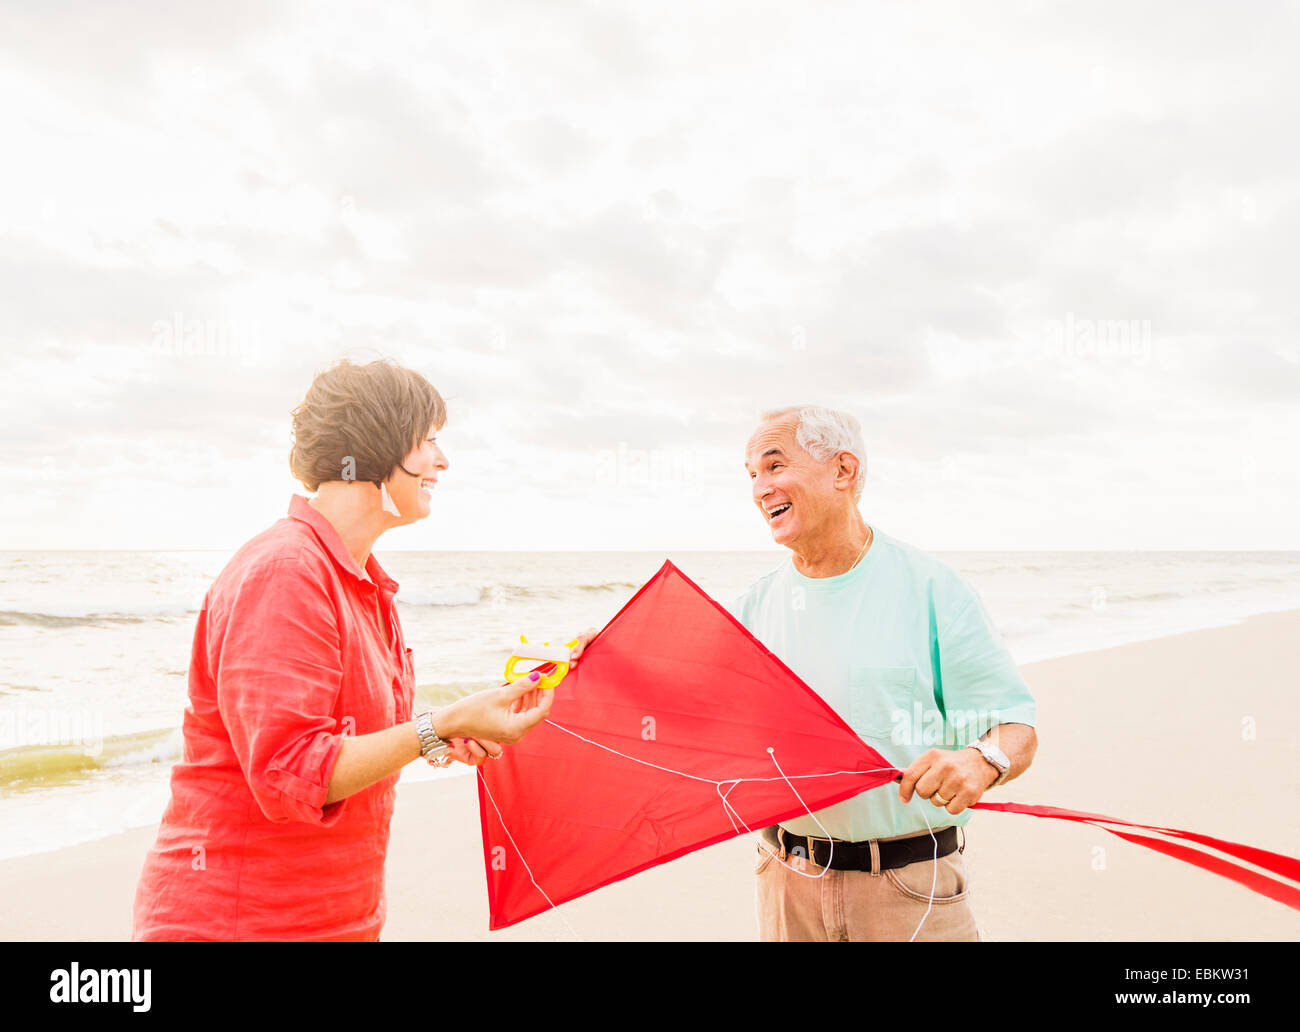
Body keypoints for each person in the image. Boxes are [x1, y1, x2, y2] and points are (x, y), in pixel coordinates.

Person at [133, 358, 593, 941]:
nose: (443, 461)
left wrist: (466, 723)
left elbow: (354, 743)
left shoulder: (363, 583)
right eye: (428, 440)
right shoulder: (285, 571)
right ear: (380, 444)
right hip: (239, 922)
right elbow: (288, 773)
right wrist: (436, 725)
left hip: (339, 920)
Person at [733, 404, 1038, 941]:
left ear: (843, 471)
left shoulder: (932, 589)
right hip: (784, 884)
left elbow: (1015, 728)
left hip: (908, 891)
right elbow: (680, 708)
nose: (760, 487)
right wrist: (599, 661)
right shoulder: (751, 610)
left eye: (775, 465)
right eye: (752, 473)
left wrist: (981, 760)